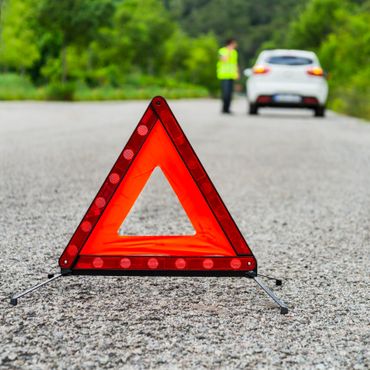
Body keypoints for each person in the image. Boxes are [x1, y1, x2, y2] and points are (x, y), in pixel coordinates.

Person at [217, 38, 239, 114]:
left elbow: (235, 63)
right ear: (230, 43)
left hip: (231, 75)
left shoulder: (235, 52)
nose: (236, 45)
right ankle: (224, 108)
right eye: (234, 43)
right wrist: (229, 51)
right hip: (224, 75)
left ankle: (228, 109)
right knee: (225, 93)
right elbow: (224, 59)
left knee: (229, 94)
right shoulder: (222, 51)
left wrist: (237, 73)